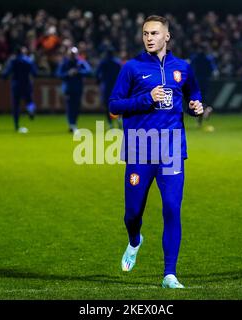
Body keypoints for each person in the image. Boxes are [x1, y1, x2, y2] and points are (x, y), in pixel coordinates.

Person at [109, 15, 204, 289]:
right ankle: (135, 240)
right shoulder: (132, 68)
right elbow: (114, 106)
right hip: (139, 149)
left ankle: (169, 274)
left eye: (154, 33)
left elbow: (192, 92)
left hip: (172, 149)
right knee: (132, 214)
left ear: (167, 37)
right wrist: (145, 98)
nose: (149, 38)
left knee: (172, 209)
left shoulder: (182, 68)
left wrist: (195, 105)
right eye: (145, 33)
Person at [56, 46, 92, 133]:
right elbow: (58, 74)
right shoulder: (65, 63)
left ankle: (73, 123)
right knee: (70, 106)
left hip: (78, 88)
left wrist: (78, 72)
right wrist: (68, 73)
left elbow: (89, 71)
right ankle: (71, 124)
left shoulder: (80, 62)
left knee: (76, 107)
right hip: (68, 88)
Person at [2, 46, 37, 133]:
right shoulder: (28, 60)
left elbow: (6, 73)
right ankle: (31, 110)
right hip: (26, 84)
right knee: (30, 101)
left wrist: (4, 76)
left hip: (16, 85)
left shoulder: (13, 61)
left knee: (16, 106)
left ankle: (16, 125)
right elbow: (35, 72)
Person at [190, 42, 216, 128]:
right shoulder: (208, 59)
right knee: (204, 98)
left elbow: (190, 69)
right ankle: (207, 108)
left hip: (197, 82)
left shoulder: (195, 58)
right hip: (206, 81)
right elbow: (213, 70)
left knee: (197, 101)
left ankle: (200, 120)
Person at [96, 48, 122, 129]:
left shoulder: (103, 62)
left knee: (107, 105)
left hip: (106, 86)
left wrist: (98, 81)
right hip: (116, 86)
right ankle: (119, 119)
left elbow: (97, 73)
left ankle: (110, 123)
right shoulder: (117, 62)